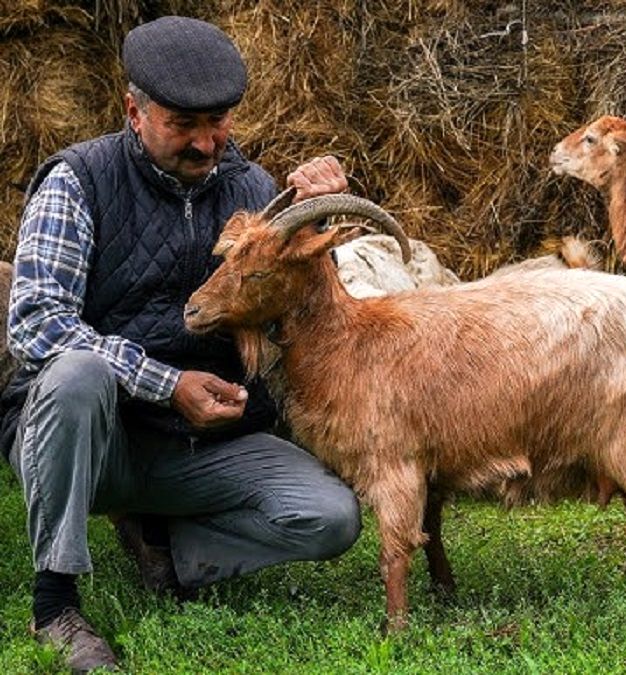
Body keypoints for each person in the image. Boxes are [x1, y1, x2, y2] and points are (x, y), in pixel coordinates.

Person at [2, 16, 362, 672]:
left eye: (219, 121)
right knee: (75, 370)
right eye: (184, 125)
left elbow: (306, 319)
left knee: (331, 516)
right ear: (133, 111)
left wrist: (322, 213)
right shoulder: (78, 181)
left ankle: (170, 547)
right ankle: (55, 602)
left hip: (200, 450)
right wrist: (166, 383)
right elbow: (35, 323)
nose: (206, 143)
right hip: (95, 439)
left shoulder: (254, 191)